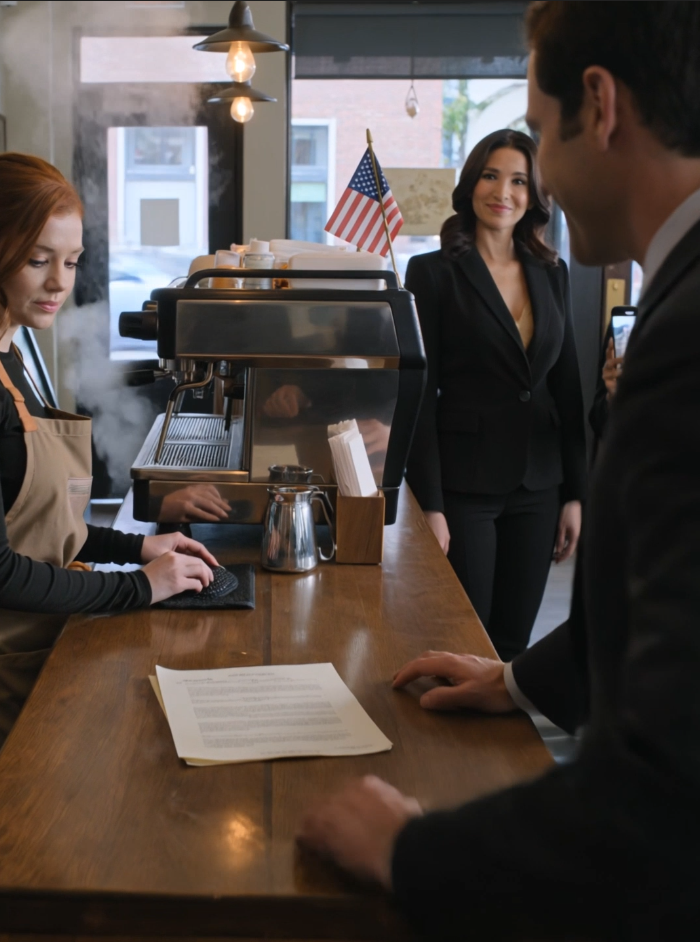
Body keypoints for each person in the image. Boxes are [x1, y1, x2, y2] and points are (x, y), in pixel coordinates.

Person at [298, 3, 700, 938]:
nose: (527, 181)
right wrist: (521, 682)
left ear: (596, 106)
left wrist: (412, 853)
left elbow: (663, 785)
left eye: (535, 133)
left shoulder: (680, 340)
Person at [0, 151, 217, 845]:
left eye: (70, 262)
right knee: (3, 869)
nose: (58, 283)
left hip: (23, 644)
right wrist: (139, 588)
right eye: (39, 259)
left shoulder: (7, 351)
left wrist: (139, 547)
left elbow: (37, 529)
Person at [403, 128, 586, 661]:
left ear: (533, 195)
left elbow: (566, 387)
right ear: (471, 184)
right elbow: (420, 395)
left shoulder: (553, 273)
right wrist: (430, 505)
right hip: (465, 489)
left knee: (513, 643)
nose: (502, 191)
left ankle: (506, 743)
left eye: (519, 180)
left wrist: (576, 493)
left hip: (539, 483)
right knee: (465, 635)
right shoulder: (432, 272)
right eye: (490, 175)